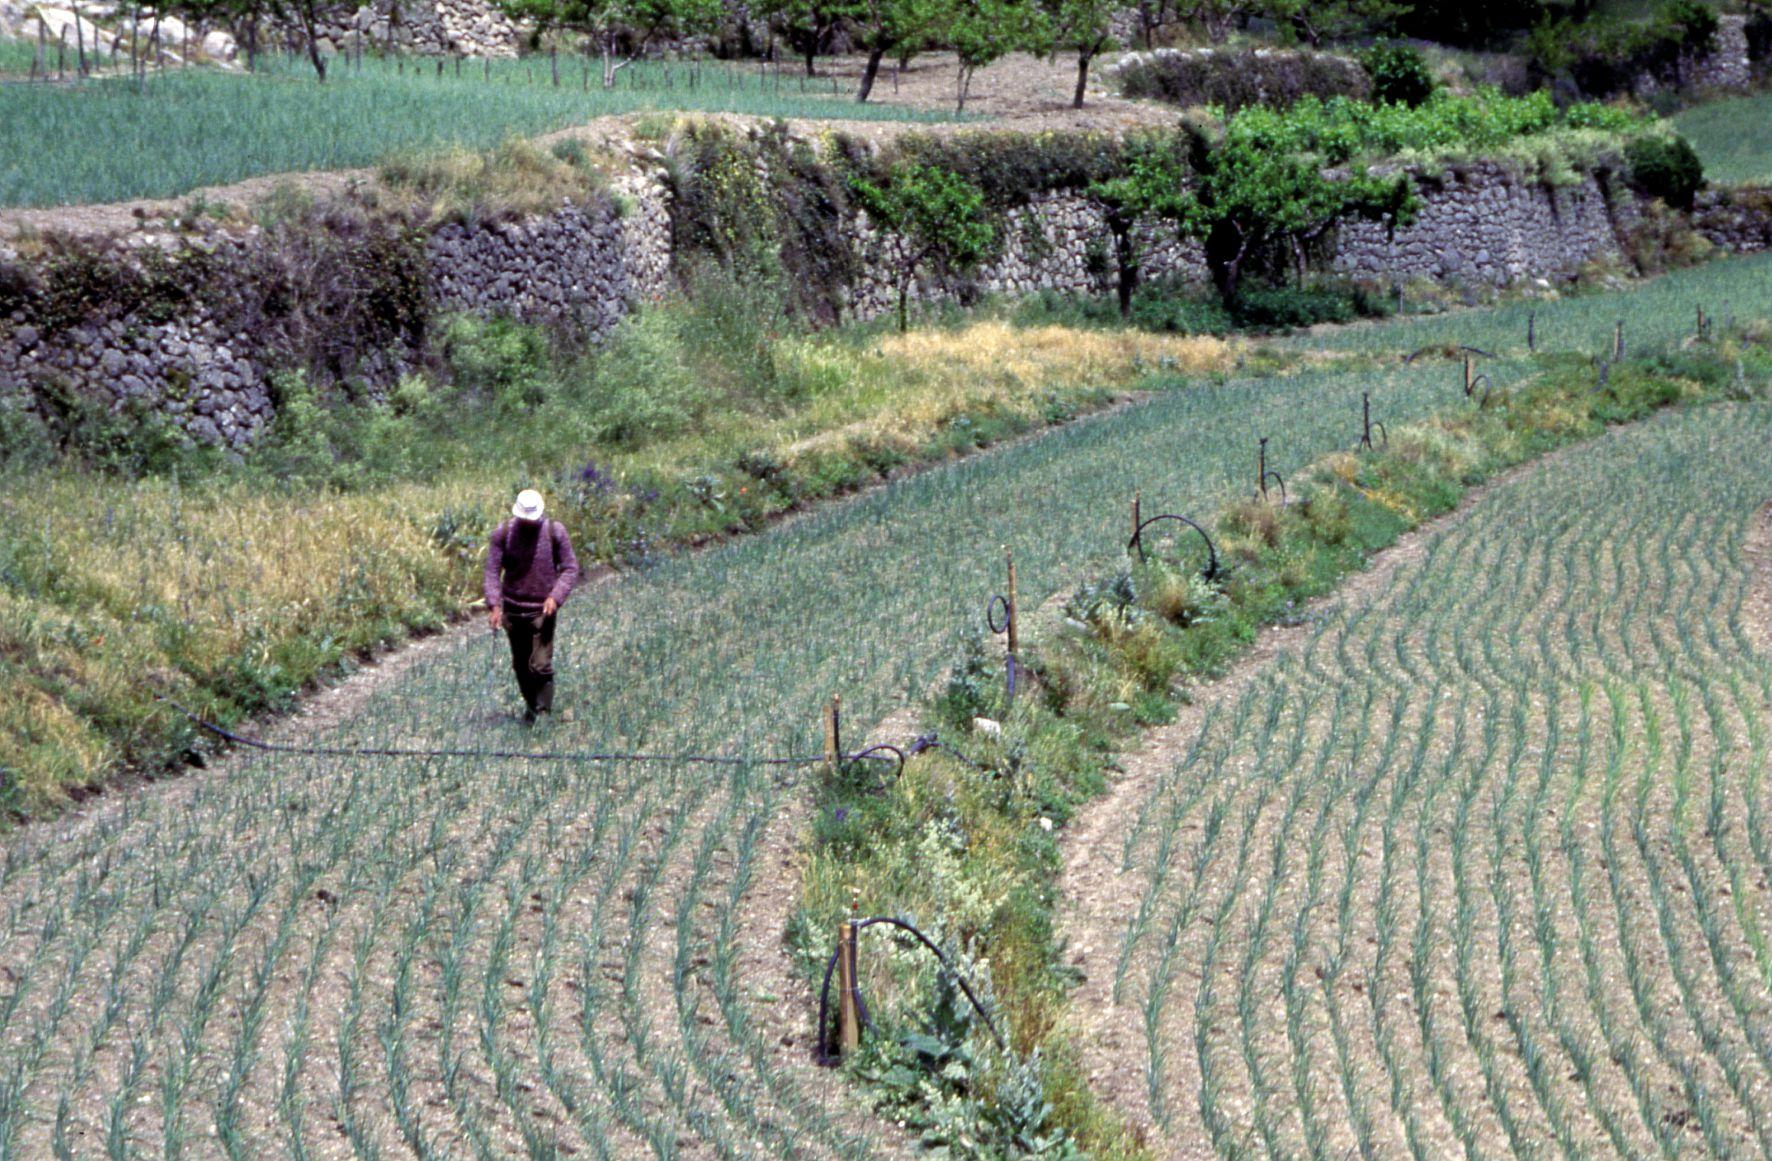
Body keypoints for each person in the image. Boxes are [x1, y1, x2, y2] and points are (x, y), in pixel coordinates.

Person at [485, 489, 580, 724]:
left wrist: (555, 597)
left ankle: (543, 711)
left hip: (542, 612)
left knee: (540, 665)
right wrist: (494, 605)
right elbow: (492, 571)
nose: (529, 524)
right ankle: (532, 709)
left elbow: (570, 568)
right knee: (521, 665)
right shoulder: (503, 533)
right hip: (513, 611)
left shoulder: (555, 531)